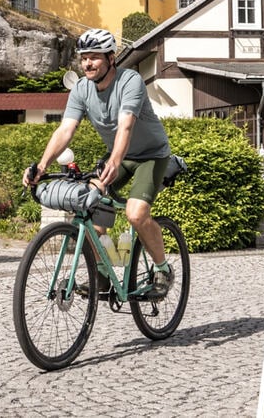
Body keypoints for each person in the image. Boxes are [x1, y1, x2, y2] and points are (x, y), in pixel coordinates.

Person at [23, 28, 173, 297]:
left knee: (136, 214)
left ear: (111, 59)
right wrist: (42, 166)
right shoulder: (81, 89)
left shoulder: (130, 81)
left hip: (150, 155)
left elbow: (126, 126)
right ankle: (103, 275)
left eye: (94, 57)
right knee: (89, 208)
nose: (87, 64)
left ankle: (163, 268)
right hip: (118, 155)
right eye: (83, 58)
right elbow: (65, 130)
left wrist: (114, 162)